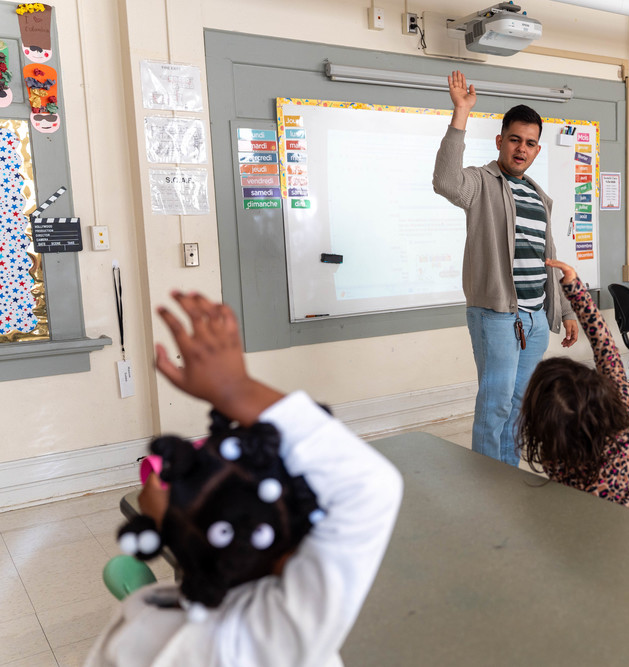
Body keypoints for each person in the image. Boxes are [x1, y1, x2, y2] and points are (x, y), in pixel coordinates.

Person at [85, 292, 403, 667]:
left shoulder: (136, 632)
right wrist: (236, 390)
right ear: (287, 558)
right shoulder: (266, 643)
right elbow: (370, 487)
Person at [432, 70, 578, 467]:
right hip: (496, 315)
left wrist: (564, 310)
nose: (521, 148)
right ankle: (485, 488)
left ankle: (507, 482)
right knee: (495, 404)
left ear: (537, 150)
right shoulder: (481, 182)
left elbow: (548, 256)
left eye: (530, 143)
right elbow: (445, 180)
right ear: (500, 141)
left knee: (518, 408)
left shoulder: (537, 195)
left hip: (534, 319)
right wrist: (461, 112)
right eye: (514, 139)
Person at [518, 259, 629, 510]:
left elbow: (604, 346)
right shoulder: (624, 421)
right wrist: (575, 289)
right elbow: (605, 345)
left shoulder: (555, 454)